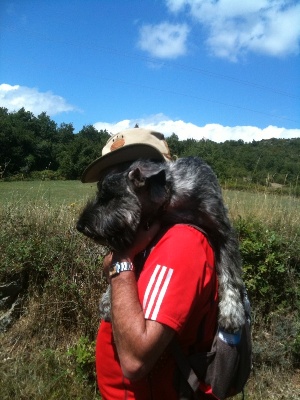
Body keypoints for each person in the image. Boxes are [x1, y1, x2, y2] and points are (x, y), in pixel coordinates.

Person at [81, 128, 219, 399]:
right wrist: (122, 257)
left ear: (153, 175)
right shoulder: (146, 231)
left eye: (126, 174)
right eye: (107, 182)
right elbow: (115, 271)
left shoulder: (180, 242)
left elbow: (135, 360)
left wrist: (121, 260)